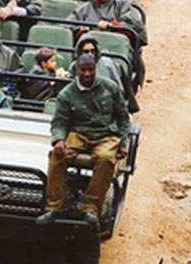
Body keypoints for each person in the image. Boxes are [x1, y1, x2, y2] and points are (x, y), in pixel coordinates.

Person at [36, 53, 130, 230]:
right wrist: (59, 140)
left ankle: (91, 207)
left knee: (106, 159)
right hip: (78, 132)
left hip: (105, 134)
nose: (87, 74)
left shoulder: (110, 88)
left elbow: (123, 118)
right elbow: (60, 122)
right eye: (83, 70)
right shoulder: (67, 94)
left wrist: (123, 142)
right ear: (77, 70)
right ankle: (53, 206)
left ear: (95, 69)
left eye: (91, 70)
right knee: (56, 156)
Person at [71, 0, 147, 85]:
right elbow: (70, 24)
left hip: (114, 50)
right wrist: (80, 29)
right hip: (88, 52)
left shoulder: (122, 4)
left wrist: (111, 25)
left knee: (111, 67)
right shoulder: (85, 9)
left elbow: (133, 24)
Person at [71, 33, 140, 113]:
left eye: (92, 51)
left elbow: (118, 90)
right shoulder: (74, 67)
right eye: (86, 51)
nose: (90, 54)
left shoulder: (108, 65)